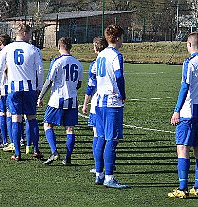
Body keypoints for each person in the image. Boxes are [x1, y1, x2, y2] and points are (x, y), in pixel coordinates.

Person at [168, 32, 198, 199]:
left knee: (182, 148)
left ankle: (182, 188)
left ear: (189, 44)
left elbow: (184, 87)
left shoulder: (189, 63)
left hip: (189, 112)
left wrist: (176, 110)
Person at [0, 24, 44, 161]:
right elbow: (40, 70)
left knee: (16, 119)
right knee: (31, 118)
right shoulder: (33, 49)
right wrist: (39, 88)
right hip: (29, 89)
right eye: (30, 34)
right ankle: (35, 149)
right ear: (25, 33)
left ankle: (17, 153)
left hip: (13, 89)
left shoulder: (8, 48)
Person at [37, 37, 83, 165]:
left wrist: (40, 97)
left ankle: (54, 152)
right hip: (72, 100)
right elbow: (79, 84)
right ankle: (68, 158)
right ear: (70, 47)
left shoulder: (57, 62)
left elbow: (49, 81)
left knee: (47, 124)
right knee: (70, 129)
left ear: (59, 46)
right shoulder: (78, 63)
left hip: (57, 99)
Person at [93, 25, 129, 189]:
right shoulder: (116, 55)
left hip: (99, 101)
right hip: (111, 101)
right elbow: (119, 76)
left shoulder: (101, 55)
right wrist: (123, 93)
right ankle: (109, 177)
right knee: (111, 140)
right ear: (118, 38)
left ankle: (99, 174)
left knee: (100, 137)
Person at [82, 37, 108, 172]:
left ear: (95, 48)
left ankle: (98, 166)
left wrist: (85, 104)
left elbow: (90, 87)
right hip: (110, 103)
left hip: (97, 103)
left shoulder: (94, 64)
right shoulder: (110, 60)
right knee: (108, 136)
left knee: (97, 134)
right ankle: (108, 163)